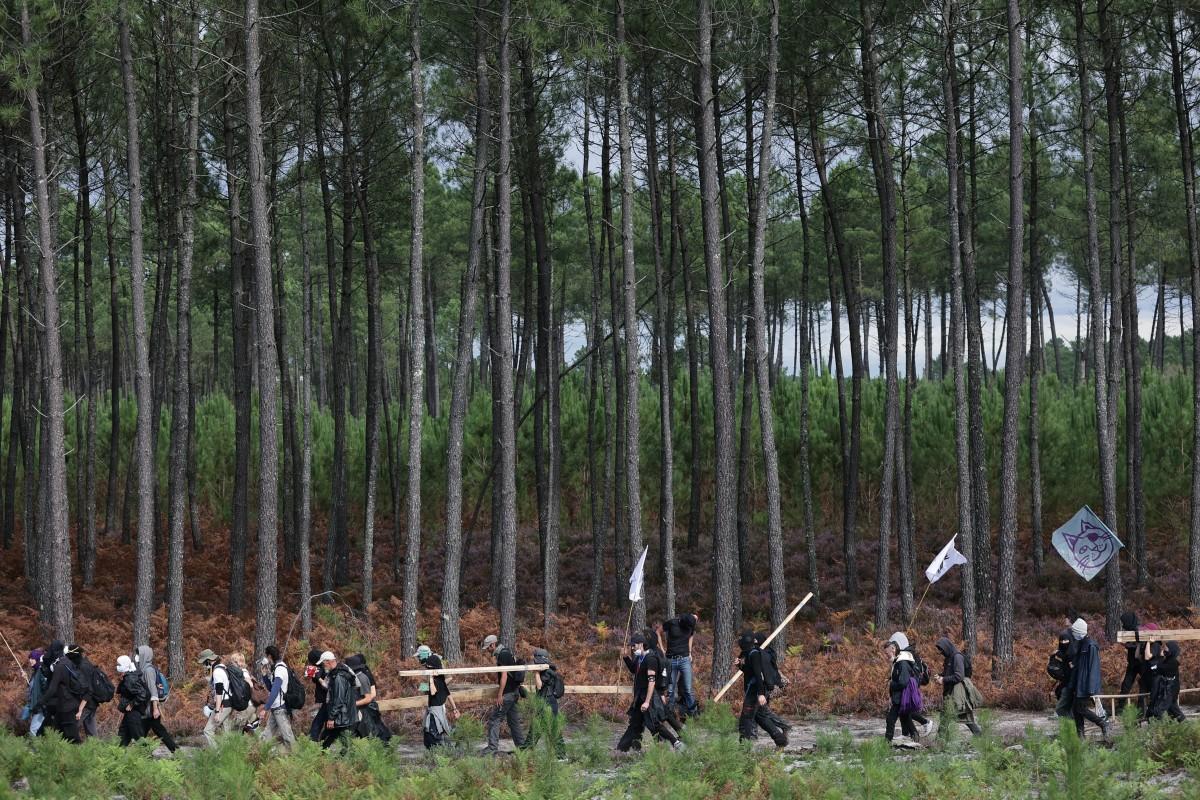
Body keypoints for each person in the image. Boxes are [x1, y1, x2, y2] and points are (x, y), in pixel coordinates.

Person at [616, 631, 682, 751]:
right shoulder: (640, 658)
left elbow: (652, 682)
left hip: (648, 697)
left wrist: (647, 701)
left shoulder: (650, 658)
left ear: (641, 644)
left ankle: (676, 743)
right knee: (635, 724)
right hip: (639, 697)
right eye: (631, 645)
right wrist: (626, 657)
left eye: (634, 645)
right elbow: (633, 670)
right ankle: (623, 749)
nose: (632, 647)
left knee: (654, 724)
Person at [735, 631, 787, 748]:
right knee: (761, 717)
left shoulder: (754, 654)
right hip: (753, 690)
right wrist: (740, 665)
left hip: (755, 691)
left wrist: (761, 694)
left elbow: (758, 675)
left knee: (746, 720)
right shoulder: (748, 653)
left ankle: (744, 748)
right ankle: (781, 741)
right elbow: (749, 671)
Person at [481, 634, 527, 755]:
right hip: (514, 692)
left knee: (494, 719)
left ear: (493, 644)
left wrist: (500, 694)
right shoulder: (507, 653)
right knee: (513, 721)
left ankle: (492, 748)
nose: (488, 650)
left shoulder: (502, 655)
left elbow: (504, 675)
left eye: (488, 648)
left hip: (507, 694)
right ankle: (522, 748)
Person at [1068, 618, 1109, 740]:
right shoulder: (1081, 644)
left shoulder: (1091, 646)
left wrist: (1091, 688)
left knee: (1080, 708)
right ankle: (1080, 736)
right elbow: (1078, 665)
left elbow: (1093, 667)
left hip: (1085, 684)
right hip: (1078, 683)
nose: (1073, 634)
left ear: (1080, 632)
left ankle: (1103, 724)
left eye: (1075, 632)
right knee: (1076, 709)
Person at [934, 637, 982, 736]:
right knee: (955, 716)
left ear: (946, 647)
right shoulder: (949, 658)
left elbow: (959, 676)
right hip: (951, 691)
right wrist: (940, 675)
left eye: (942, 650)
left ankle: (940, 741)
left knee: (947, 715)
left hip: (958, 692)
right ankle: (979, 736)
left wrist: (943, 679)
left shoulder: (957, 657)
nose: (941, 653)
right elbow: (949, 673)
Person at [134, 645, 178, 752]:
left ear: (145, 655)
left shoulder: (148, 670)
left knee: (152, 730)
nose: (137, 657)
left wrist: (155, 708)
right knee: (152, 729)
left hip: (149, 708)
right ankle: (145, 754)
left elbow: (152, 690)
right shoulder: (144, 669)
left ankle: (174, 751)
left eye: (139, 654)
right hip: (148, 707)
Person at [415, 644, 459, 748]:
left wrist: (436, 686)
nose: (418, 659)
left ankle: (448, 746)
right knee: (435, 728)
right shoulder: (427, 664)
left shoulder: (435, 661)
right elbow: (427, 687)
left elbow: (449, 678)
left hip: (437, 702)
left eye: (419, 656)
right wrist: (425, 688)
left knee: (438, 728)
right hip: (432, 699)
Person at [42, 644, 88, 744]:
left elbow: (52, 688)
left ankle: (83, 756)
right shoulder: (71, 665)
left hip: (68, 706)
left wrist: (40, 702)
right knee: (58, 734)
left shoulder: (62, 666)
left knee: (73, 737)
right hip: (66, 705)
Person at [658, 612, 699, 720]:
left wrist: (690, 652)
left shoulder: (691, 623)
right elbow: (658, 632)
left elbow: (691, 636)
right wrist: (662, 650)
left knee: (688, 688)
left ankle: (693, 713)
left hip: (684, 659)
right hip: (671, 660)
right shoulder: (672, 623)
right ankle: (670, 713)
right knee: (670, 689)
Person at [884, 633, 920, 744]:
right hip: (899, 698)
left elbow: (903, 682)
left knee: (890, 719)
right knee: (906, 718)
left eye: (887, 653)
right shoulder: (899, 662)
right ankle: (915, 736)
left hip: (901, 698)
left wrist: (892, 684)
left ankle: (886, 743)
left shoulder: (902, 663)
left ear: (893, 649)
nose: (886, 655)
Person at [529, 647, 566, 756]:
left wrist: (536, 673)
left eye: (535, 658)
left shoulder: (546, 672)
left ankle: (561, 755)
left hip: (547, 702)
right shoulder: (549, 669)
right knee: (536, 728)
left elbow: (539, 686)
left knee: (552, 729)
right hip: (547, 701)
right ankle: (525, 751)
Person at [346, 654, 391, 741]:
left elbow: (372, 694)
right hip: (361, 708)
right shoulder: (354, 677)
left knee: (374, 731)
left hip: (368, 707)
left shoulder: (364, 676)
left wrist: (354, 704)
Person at [258, 645, 297, 748]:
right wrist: (264, 675)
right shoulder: (278, 668)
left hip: (280, 708)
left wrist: (265, 709)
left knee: (287, 736)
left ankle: (297, 758)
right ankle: (258, 755)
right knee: (266, 736)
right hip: (276, 708)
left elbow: (275, 691)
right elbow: (271, 688)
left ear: (270, 656)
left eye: (267, 657)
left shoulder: (280, 669)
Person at [319, 651, 358, 752]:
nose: (323, 667)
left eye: (323, 664)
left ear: (328, 662)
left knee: (335, 742)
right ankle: (329, 762)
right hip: (343, 715)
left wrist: (331, 718)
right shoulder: (339, 672)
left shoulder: (339, 677)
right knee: (338, 742)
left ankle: (340, 764)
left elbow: (339, 699)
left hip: (341, 716)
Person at [1145, 641, 1186, 722]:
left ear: (1171, 651)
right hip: (1167, 690)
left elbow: (1158, 669)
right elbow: (1155, 668)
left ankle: (1160, 730)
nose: (1164, 650)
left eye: (1166, 648)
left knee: (1159, 711)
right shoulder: (1167, 660)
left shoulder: (1173, 663)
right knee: (1174, 711)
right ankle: (1185, 726)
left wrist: (1158, 660)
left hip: (1170, 691)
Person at [115, 654, 148, 746]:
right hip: (130, 712)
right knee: (123, 734)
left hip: (134, 712)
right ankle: (117, 755)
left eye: (119, 664)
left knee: (138, 735)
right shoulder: (129, 676)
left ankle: (147, 756)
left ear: (124, 665)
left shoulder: (130, 679)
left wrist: (132, 704)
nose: (117, 666)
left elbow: (142, 694)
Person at [1050, 627, 1075, 719]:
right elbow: (1055, 665)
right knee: (1059, 691)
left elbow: (1072, 666)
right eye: (1062, 641)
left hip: (1072, 679)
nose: (1064, 643)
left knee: (1065, 692)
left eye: (1066, 641)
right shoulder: (1059, 652)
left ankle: (1061, 712)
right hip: (1065, 678)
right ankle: (1065, 712)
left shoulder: (1072, 652)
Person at [304, 647, 329, 741]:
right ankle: (323, 743)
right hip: (325, 700)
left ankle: (312, 743)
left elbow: (326, 686)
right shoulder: (321, 668)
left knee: (317, 723)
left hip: (327, 699)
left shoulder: (324, 669)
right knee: (325, 723)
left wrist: (318, 677)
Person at [21, 649, 45, 737]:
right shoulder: (35, 672)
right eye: (30, 658)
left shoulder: (42, 672)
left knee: (33, 730)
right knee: (38, 732)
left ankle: (33, 751)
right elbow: (33, 689)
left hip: (40, 708)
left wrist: (42, 704)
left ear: (38, 659)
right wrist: (26, 678)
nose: (30, 660)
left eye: (33, 658)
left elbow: (45, 689)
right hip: (34, 707)